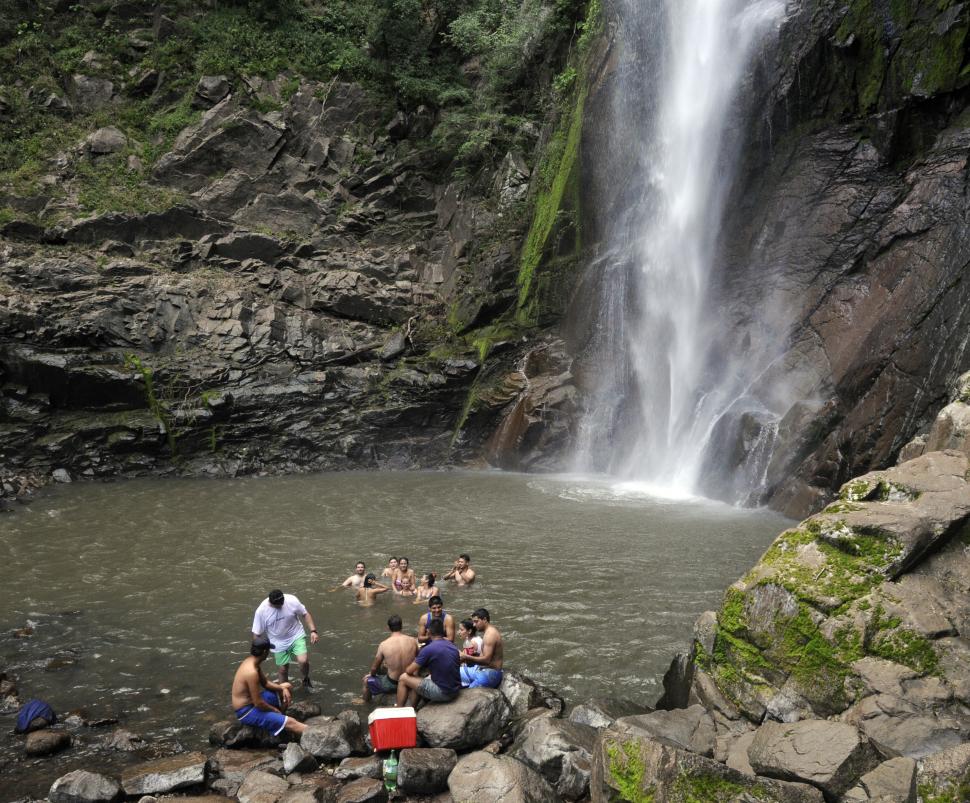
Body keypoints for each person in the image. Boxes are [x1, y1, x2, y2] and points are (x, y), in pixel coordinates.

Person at [231, 636, 307, 736]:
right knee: (291, 722)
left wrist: (282, 688)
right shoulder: (251, 672)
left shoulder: (252, 661)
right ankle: (316, 733)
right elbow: (258, 703)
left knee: (286, 686)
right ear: (264, 652)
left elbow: (265, 683)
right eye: (268, 650)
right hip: (246, 711)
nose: (269, 652)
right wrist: (275, 710)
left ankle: (280, 720)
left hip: (252, 704)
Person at [251, 589, 319, 689]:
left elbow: (305, 614)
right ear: (271, 603)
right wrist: (257, 653)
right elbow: (256, 634)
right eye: (279, 605)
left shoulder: (291, 600)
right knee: (283, 669)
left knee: (303, 661)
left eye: (283, 603)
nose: (282, 605)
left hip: (296, 635)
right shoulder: (261, 611)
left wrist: (313, 631)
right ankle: (283, 691)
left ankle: (305, 678)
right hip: (278, 642)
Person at [396, 619, 461, 707]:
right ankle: (413, 708)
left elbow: (409, 671)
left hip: (444, 693)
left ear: (428, 632)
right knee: (419, 679)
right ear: (443, 631)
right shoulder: (452, 646)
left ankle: (399, 711)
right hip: (455, 690)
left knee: (403, 678)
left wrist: (415, 660)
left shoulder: (428, 649)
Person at [362, 615, 419, 702]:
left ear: (388, 628)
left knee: (367, 681)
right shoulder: (413, 641)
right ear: (401, 626)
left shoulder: (384, 644)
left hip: (392, 683)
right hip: (409, 680)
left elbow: (374, 668)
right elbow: (419, 658)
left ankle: (365, 703)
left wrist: (371, 675)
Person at [459, 608, 503, 689]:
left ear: (485, 619)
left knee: (468, 694)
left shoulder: (490, 635)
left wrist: (466, 656)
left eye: (476, 621)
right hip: (482, 670)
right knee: (451, 671)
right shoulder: (488, 632)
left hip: (490, 674)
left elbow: (486, 660)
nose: (474, 625)